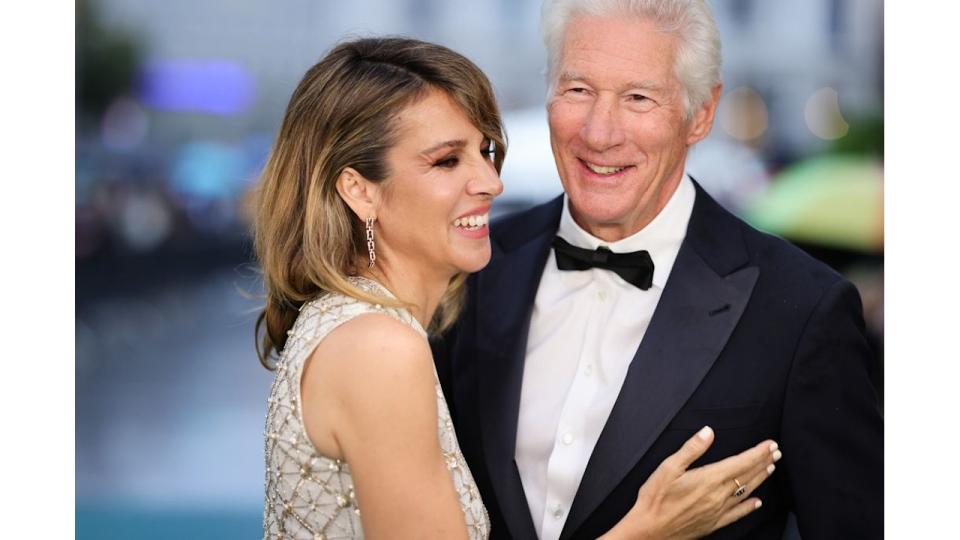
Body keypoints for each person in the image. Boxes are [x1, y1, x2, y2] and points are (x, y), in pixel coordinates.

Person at [255, 36, 777, 540]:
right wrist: (647, 532)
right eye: (446, 160)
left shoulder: (355, 326)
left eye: (485, 151)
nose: (490, 182)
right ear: (358, 190)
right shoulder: (381, 348)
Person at [432, 1, 884, 539]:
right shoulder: (470, 265)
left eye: (638, 98)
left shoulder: (801, 308)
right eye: (578, 90)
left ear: (701, 114)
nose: (599, 133)